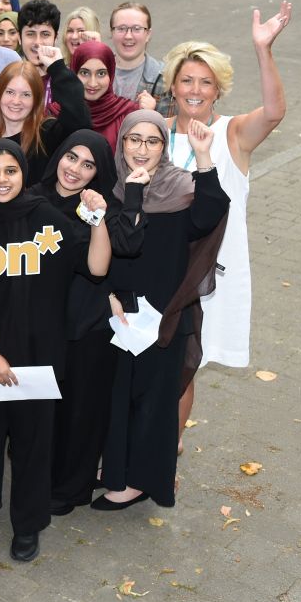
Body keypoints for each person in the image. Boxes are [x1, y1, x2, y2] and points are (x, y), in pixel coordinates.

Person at [0, 138, 111, 562]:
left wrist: (98, 221)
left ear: (23, 173)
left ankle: (28, 525)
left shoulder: (50, 218)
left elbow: (97, 267)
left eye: (11, 171)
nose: (2, 180)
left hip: (38, 358)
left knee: (33, 446)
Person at [164, 2, 291, 441]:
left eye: (206, 82)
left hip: (206, 274)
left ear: (218, 91)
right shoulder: (153, 132)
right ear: (173, 86)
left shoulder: (232, 133)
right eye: (187, 80)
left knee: (182, 369)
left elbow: (274, 112)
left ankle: (166, 456)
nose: (195, 90)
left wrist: (264, 49)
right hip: (155, 269)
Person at [95, 111, 229, 511]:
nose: (141, 149)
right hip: (121, 312)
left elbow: (210, 213)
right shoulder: (110, 188)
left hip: (164, 314)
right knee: (118, 396)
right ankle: (116, 470)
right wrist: (107, 295)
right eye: (133, 140)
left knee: (154, 401)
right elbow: (119, 243)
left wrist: (203, 156)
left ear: (164, 147)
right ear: (121, 144)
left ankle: (139, 483)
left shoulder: (180, 187)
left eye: (152, 141)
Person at [32, 131, 144, 516]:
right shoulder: (29, 196)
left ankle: (70, 488)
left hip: (87, 326)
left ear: (99, 172)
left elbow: (109, 265)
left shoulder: (104, 208)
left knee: (81, 413)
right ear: (58, 156)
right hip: (42, 325)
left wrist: (98, 215)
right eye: (71, 157)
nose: (75, 169)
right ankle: (40, 479)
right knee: (43, 412)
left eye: (88, 164)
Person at [0, 53, 91, 183]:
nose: (16, 101)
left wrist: (58, 69)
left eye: (26, 95)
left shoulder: (47, 134)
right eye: (10, 92)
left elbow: (79, 121)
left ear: (36, 100)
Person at [57, 40, 145, 149]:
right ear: (74, 72)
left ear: (111, 75)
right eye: (85, 73)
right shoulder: (56, 113)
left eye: (101, 73)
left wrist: (147, 115)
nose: (92, 83)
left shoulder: (128, 113)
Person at [109, 2, 172, 115]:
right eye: (121, 28)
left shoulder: (165, 78)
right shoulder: (95, 72)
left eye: (136, 29)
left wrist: (152, 114)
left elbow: (170, 128)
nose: (128, 36)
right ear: (112, 33)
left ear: (148, 34)